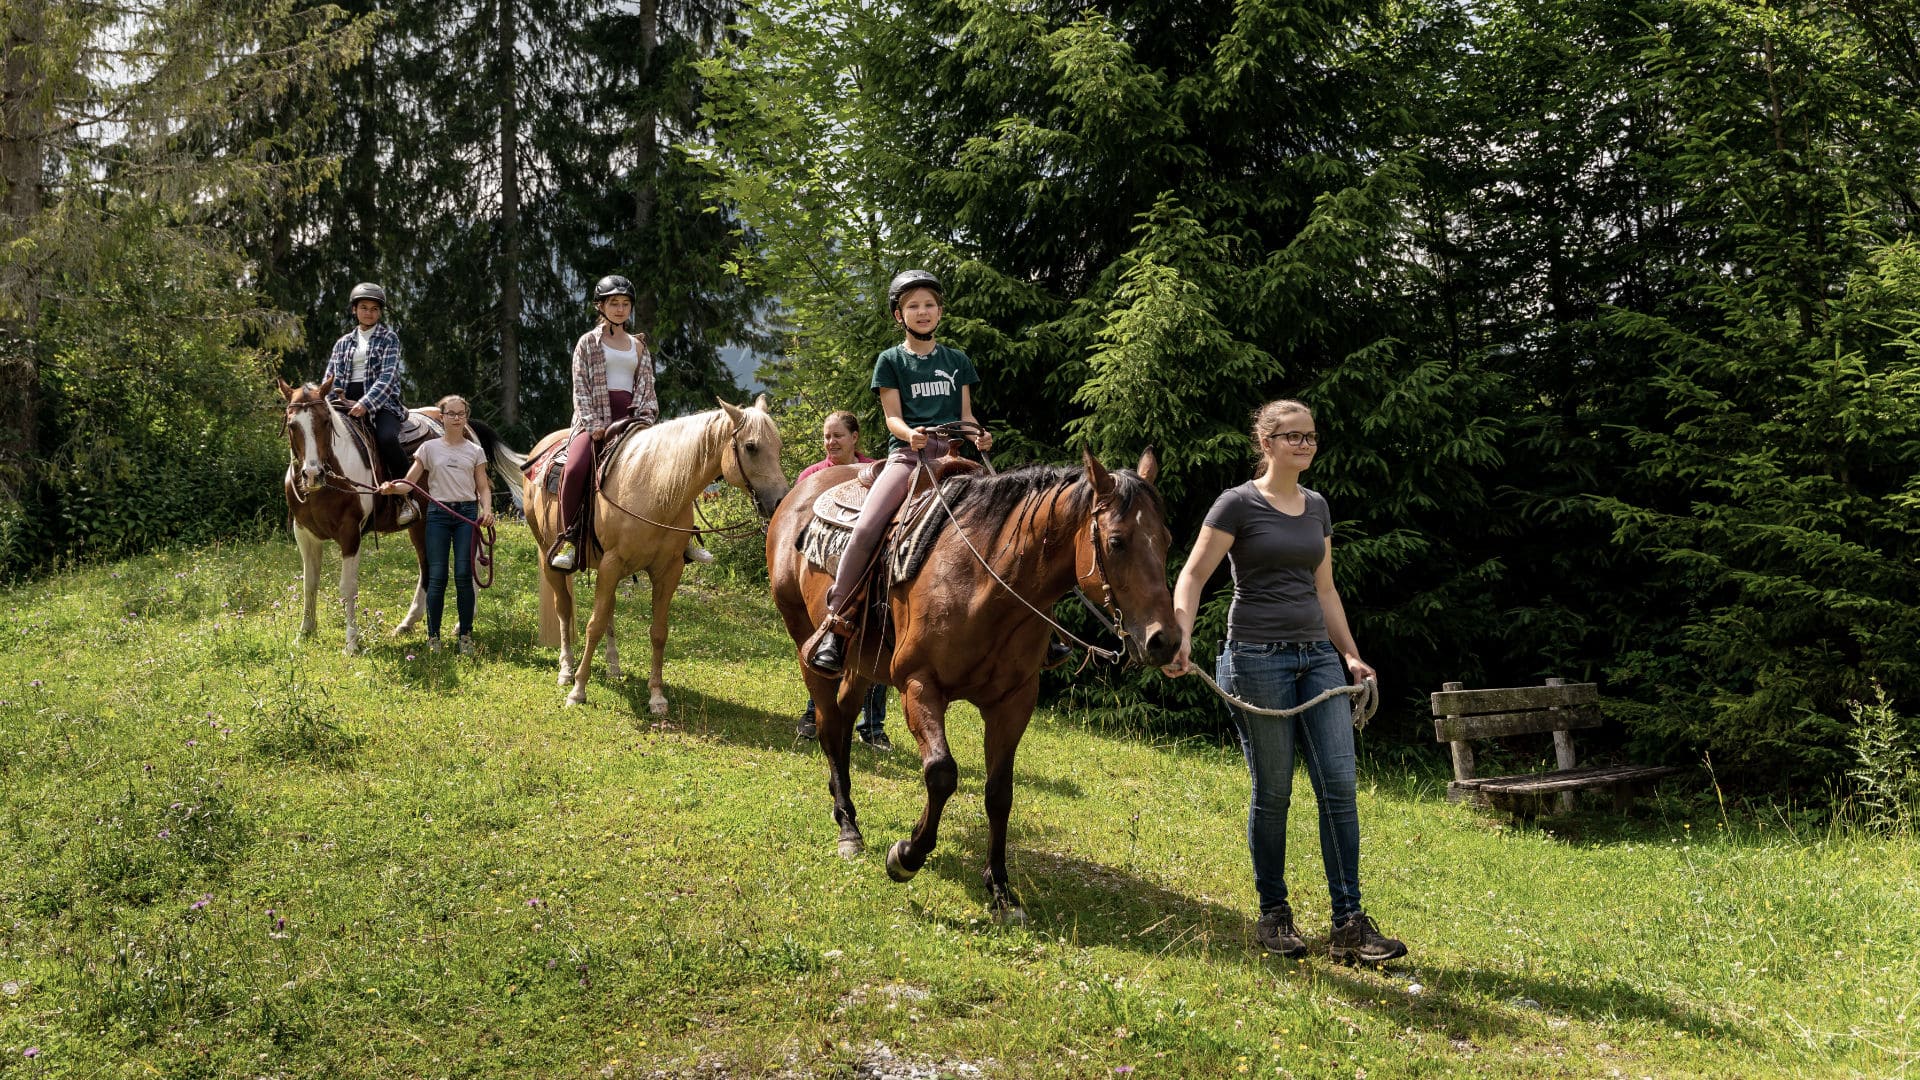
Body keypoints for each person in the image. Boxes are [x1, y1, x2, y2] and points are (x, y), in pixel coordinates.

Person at [1161, 398, 1407, 966]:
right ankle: (1275, 914)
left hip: (1317, 659)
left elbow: (1324, 589)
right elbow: (1193, 574)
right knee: (1274, 792)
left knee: (1339, 790)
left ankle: (1349, 924)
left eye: (1311, 437)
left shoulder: (1316, 506)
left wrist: (1350, 655)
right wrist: (1182, 635)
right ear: (1266, 443)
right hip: (1255, 658)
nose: (1304, 445)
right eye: (1293, 436)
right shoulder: (1237, 504)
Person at [806, 269, 992, 675]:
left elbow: (965, 414)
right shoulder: (890, 361)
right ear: (899, 315)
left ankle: (1040, 632)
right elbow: (892, 418)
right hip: (908, 458)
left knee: (1007, 521)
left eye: (929, 305)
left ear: (940, 312)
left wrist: (979, 435)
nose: (922, 312)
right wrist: (912, 436)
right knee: (868, 528)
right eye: (913, 306)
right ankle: (836, 625)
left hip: (956, 455)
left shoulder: (957, 360)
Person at [549, 275, 659, 572]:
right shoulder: (587, 343)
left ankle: (681, 537)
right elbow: (580, 388)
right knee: (574, 468)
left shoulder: (639, 347)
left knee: (667, 464)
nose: (621, 309)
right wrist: (592, 422)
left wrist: (645, 419)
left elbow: (647, 388)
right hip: (594, 419)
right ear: (601, 306)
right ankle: (569, 538)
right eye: (614, 303)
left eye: (625, 304)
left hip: (632, 419)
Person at [794, 411, 889, 747]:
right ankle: (813, 711)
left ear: (855, 438)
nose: (830, 443)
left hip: (865, 573)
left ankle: (873, 726)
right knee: (821, 641)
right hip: (823, 572)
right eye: (826, 436)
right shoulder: (812, 477)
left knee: (875, 640)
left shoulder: (877, 472)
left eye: (838, 436)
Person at [379, 395, 495, 654]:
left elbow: (483, 487)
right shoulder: (428, 449)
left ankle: (465, 635)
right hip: (438, 515)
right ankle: (434, 637)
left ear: (465, 417)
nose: (456, 418)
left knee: (464, 576)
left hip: (466, 514)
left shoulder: (475, 451)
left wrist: (486, 510)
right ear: (441, 417)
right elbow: (409, 482)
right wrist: (392, 488)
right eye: (451, 413)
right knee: (437, 577)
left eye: (461, 413)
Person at [324, 282, 414, 525]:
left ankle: (406, 498)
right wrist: (327, 401)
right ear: (354, 310)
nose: (369, 313)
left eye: (374, 309)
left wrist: (366, 403)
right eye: (363, 307)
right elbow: (330, 377)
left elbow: (387, 377)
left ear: (380, 312)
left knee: (387, 438)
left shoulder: (389, 338)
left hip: (382, 403)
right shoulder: (342, 342)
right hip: (343, 402)